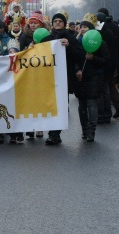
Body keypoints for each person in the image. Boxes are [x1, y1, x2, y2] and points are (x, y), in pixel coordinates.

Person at [41, 12, 84, 146]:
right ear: (52, 24)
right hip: (48, 77)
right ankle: (53, 133)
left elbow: (79, 55)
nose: (58, 23)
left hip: (64, 77)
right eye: (55, 21)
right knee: (50, 105)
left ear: (64, 24)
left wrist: (69, 46)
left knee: (61, 105)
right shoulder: (46, 39)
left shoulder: (71, 38)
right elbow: (37, 55)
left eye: (60, 21)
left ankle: (54, 134)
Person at [75, 17, 109, 142]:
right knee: (81, 105)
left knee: (91, 103)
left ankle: (91, 131)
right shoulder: (77, 42)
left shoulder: (99, 42)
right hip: (80, 77)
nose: (82, 29)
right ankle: (84, 129)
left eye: (85, 27)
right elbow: (73, 59)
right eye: (81, 27)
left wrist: (93, 58)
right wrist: (77, 70)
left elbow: (106, 60)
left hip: (94, 77)